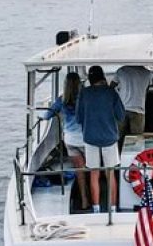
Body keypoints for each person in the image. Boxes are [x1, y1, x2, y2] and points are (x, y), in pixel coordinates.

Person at [76, 65, 125, 213]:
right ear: (103, 77)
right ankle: (113, 209)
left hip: (90, 138)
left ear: (90, 79)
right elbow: (121, 116)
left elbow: (78, 118)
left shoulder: (84, 93)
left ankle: (96, 209)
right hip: (109, 138)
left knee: (94, 174)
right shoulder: (111, 93)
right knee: (110, 174)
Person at [42, 72, 90, 210]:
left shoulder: (61, 100)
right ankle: (94, 197)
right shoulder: (85, 98)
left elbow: (47, 115)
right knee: (93, 169)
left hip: (70, 140)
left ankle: (84, 200)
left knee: (79, 171)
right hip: (86, 139)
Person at [112, 65, 153, 150]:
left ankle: (120, 158)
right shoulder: (148, 73)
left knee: (119, 139)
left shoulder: (121, 70)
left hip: (122, 109)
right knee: (137, 141)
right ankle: (134, 159)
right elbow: (147, 90)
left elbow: (111, 87)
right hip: (139, 110)